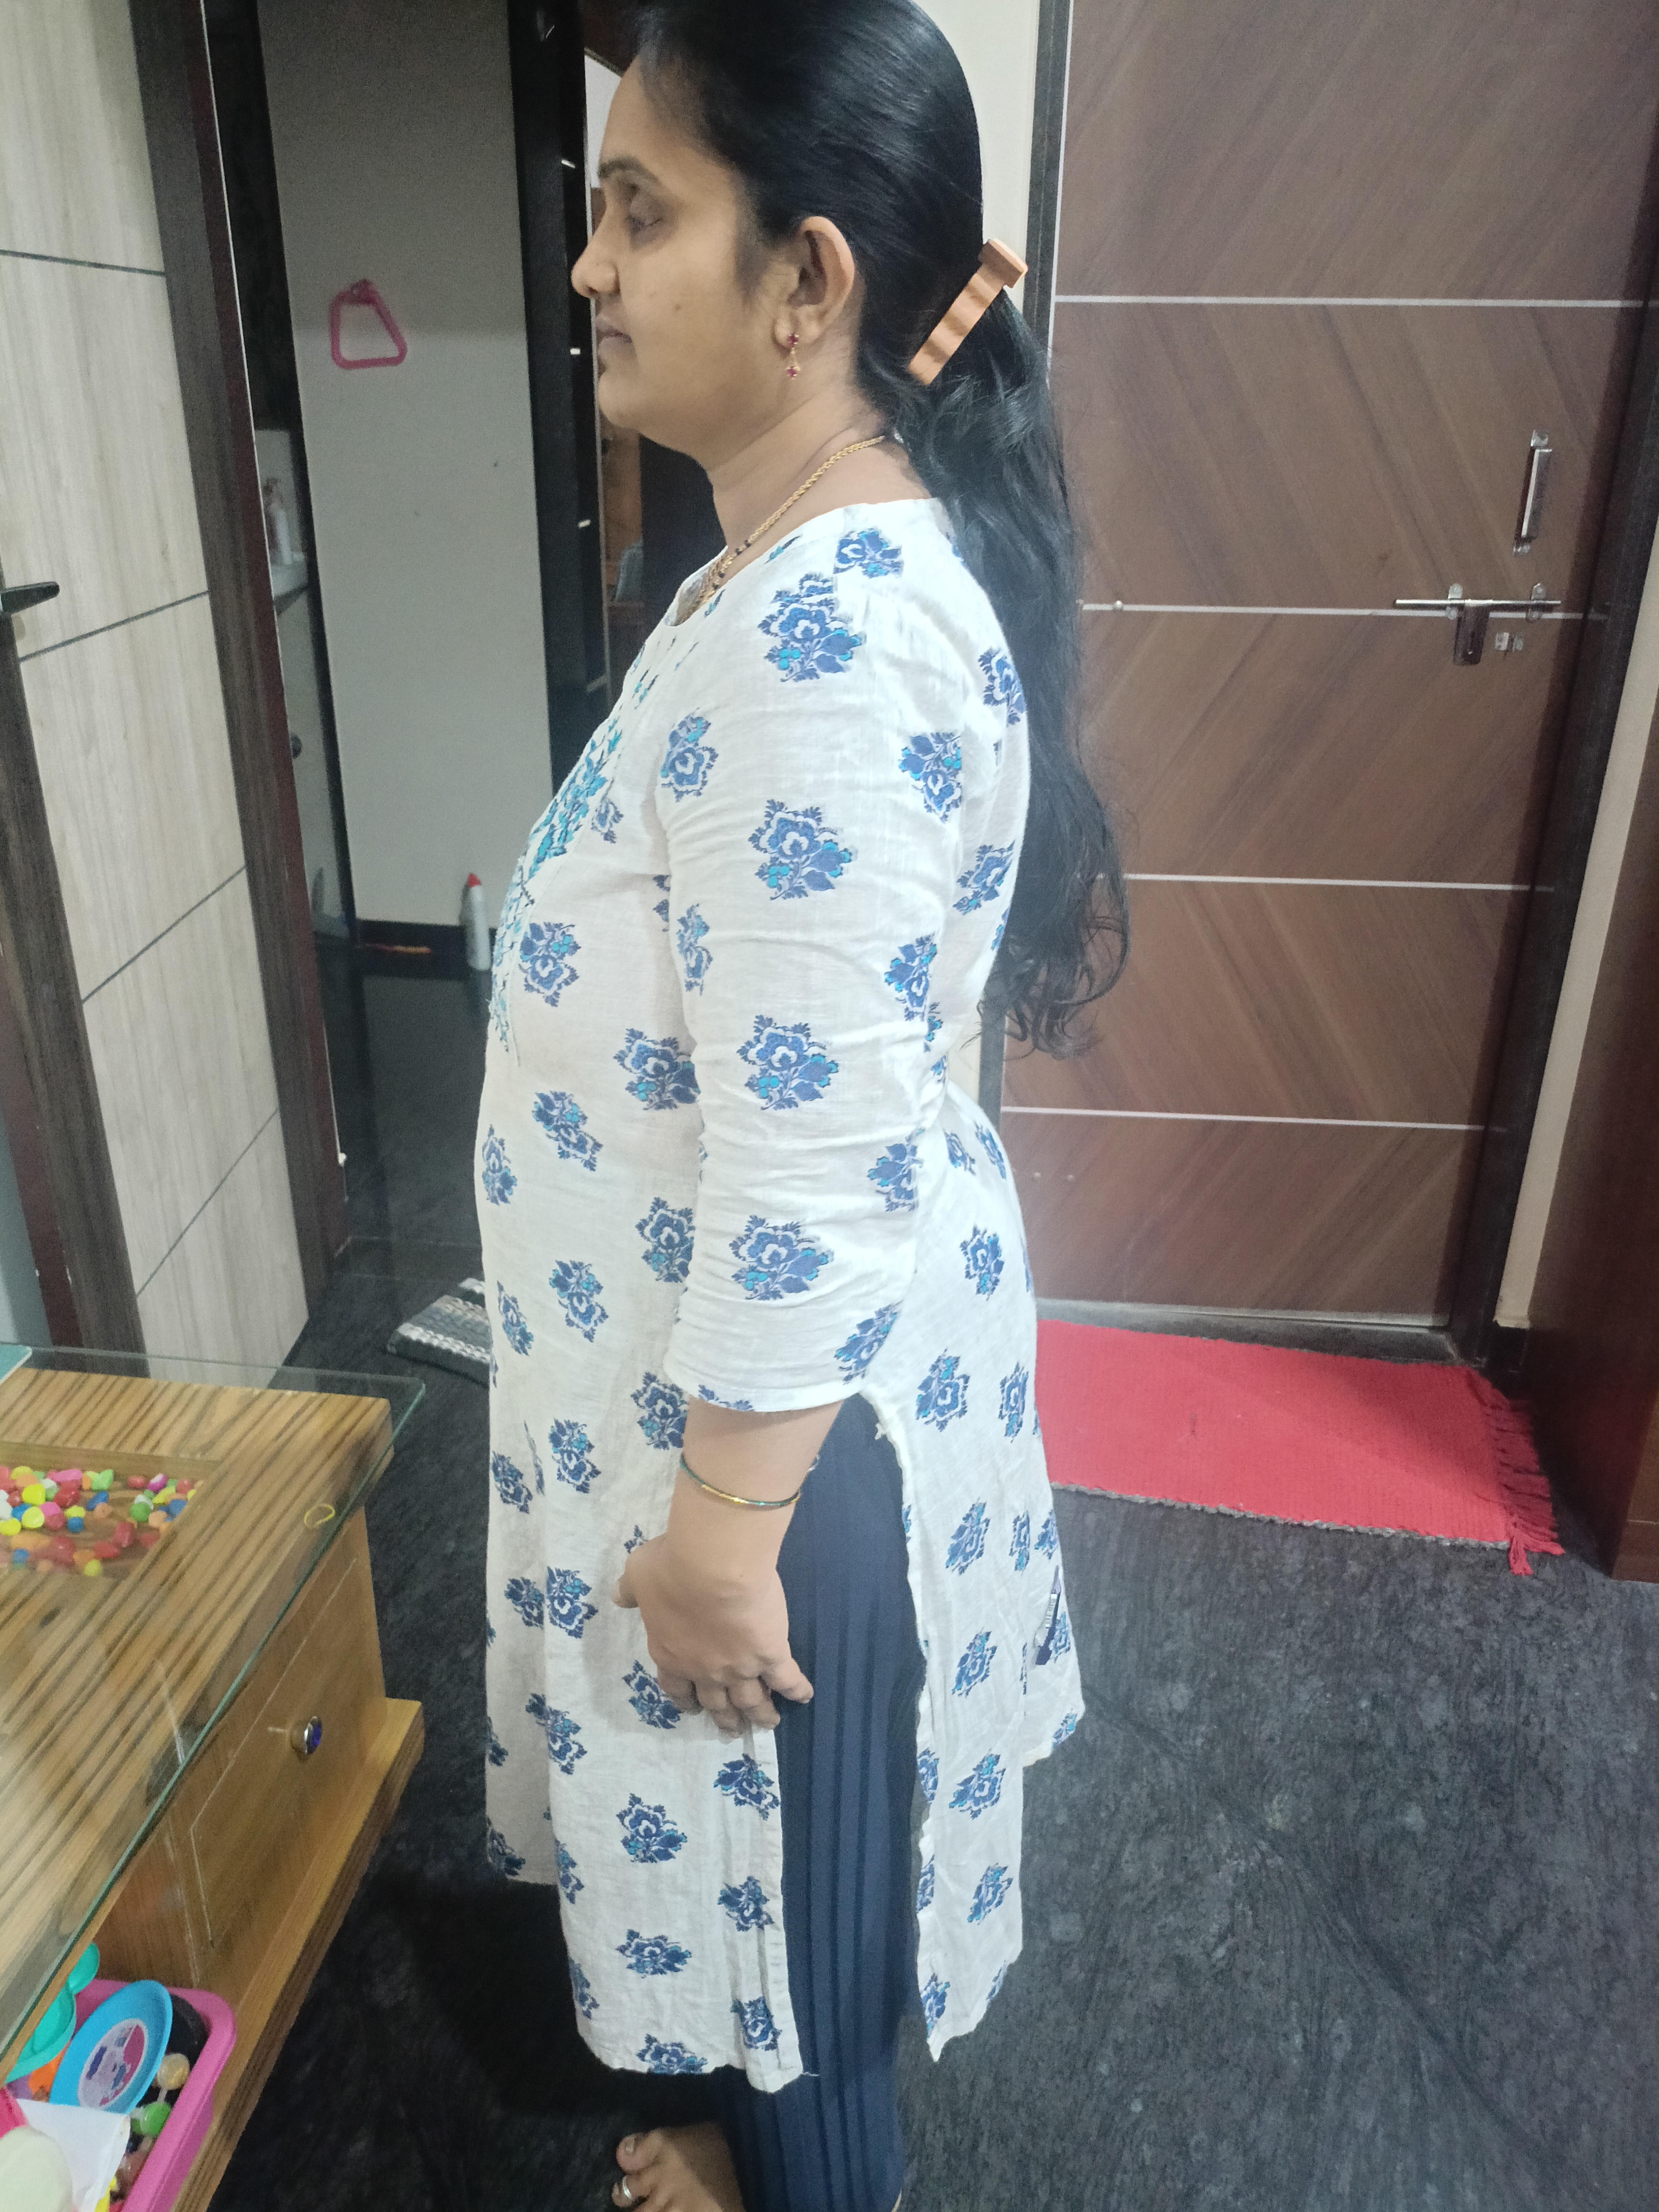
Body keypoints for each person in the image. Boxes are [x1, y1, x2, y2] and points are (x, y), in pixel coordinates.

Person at [475, 4, 1128, 2207]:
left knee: (810, 1985)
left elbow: (812, 1165)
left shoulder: (824, 645)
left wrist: (720, 1539)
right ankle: (764, 2151)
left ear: (808, 281)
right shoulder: (770, 574)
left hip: (784, 1461)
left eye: (639, 211)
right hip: (762, 1424)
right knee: (775, 1922)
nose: (589, 264)